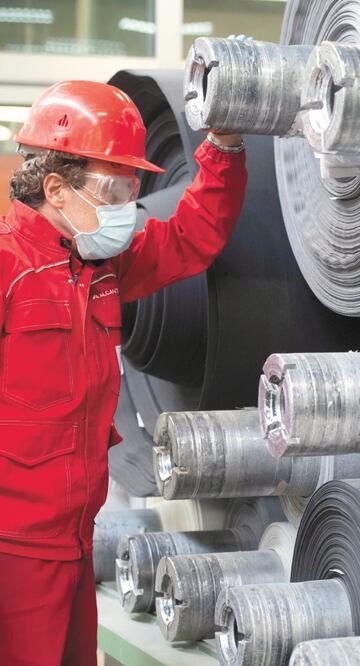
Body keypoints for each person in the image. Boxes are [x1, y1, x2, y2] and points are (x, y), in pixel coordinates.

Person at [0, 79, 247, 665]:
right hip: (11, 549)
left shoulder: (101, 264)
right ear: (56, 188)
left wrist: (224, 145)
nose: (125, 206)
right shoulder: (8, 266)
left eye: (133, 187)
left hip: (71, 541)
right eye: (112, 189)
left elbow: (192, 237)